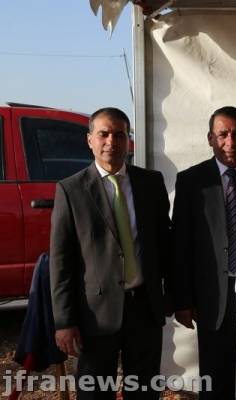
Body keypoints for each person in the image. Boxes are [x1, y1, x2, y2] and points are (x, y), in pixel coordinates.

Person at [50, 107, 171, 399]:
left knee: (144, 391)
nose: (111, 142)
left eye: (119, 134)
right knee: (94, 392)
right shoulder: (71, 190)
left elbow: (165, 243)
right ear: (89, 139)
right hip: (95, 315)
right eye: (103, 134)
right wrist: (64, 322)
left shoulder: (151, 183)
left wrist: (173, 297)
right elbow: (61, 261)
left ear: (129, 140)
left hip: (144, 309)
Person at [171, 106, 236, 400]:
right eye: (222, 134)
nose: (230, 142)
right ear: (210, 139)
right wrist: (183, 300)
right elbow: (181, 243)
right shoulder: (192, 181)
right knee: (216, 377)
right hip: (214, 294)